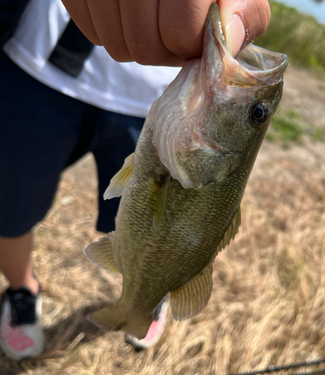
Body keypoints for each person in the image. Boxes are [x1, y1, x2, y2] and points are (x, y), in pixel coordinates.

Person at [0, 0, 270, 360]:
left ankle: (149, 295)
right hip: (40, 64)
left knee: (151, 238)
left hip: (151, 95)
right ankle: (22, 290)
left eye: (256, 113)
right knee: (9, 209)